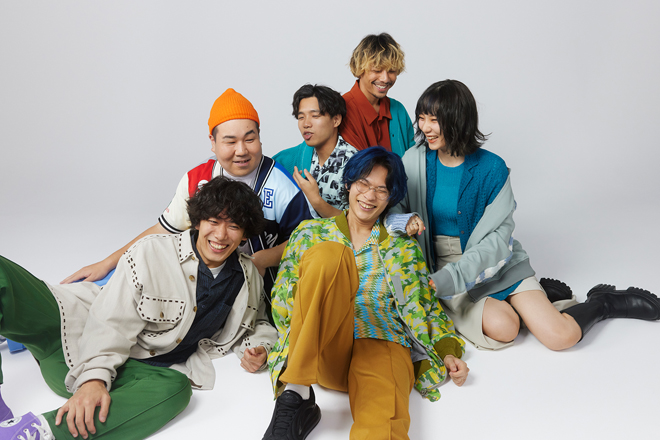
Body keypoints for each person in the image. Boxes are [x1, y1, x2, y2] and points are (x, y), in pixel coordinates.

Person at [0, 176, 277, 440]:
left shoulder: (247, 276)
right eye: (213, 221)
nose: (220, 234)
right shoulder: (151, 252)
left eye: (233, 226)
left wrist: (261, 349)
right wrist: (92, 380)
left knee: (175, 389)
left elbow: (258, 322)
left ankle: (37, 432)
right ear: (197, 221)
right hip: (69, 321)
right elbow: (110, 320)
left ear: (244, 234)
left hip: (124, 367)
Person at [392, 79, 660, 351]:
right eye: (422, 118)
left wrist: (446, 280)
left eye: (434, 120)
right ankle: (543, 299)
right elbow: (392, 211)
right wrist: (406, 223)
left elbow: (498, 240)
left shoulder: (492, 167)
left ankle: (603, 302)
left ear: (458, 120)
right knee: (504, 328)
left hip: (495, 262)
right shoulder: (413, 161)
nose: (424, 127)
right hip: (443, 268)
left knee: (561, 337)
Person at [262, 148, 468, 440]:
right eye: (363, 183)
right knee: (331, 256)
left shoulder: (403, 247)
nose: (370, 196)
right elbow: (283, 300)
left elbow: (426, 305)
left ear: (390, 198)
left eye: (381, 190)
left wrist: (447, 350)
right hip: (324, 348)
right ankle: (296, 394)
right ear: (348, 184)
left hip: (382, 339)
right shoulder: (310, 234)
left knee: (381, 429)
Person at [62, 88, 313, 300]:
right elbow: (163, 230)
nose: (241, 150)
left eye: (250, 139)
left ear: (259, 137)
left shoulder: (282, 184)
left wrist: (260, 259)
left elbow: (305, 240)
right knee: (119, 282)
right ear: (212, 142)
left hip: (257, 287)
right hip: (198, 278)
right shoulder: (198, 178)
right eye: (230, 141)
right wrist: (107, 263)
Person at [274, 84, 358, 218]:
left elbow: (358, 222)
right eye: (301, 117)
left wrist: (315, 199)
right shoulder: (285, 159)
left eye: (315, 116)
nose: (306, 124)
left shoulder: (355, 163)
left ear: (336, 120)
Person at [339, 33, 415, 157]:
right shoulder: (341, 111)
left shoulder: (398, 110)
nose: (385, 79)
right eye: (377, 70)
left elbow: (413, 159)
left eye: (391, 71)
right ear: (360, 69)